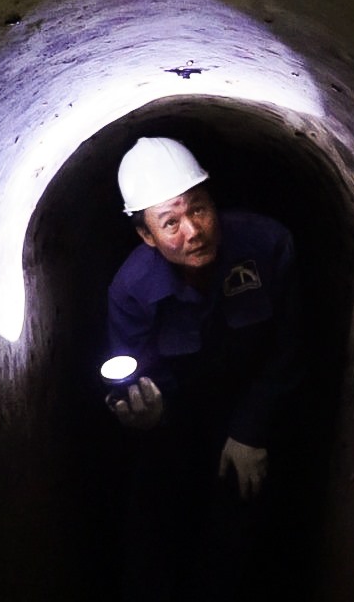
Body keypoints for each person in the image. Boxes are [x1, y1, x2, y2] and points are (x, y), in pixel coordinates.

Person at [103, 137, 303, 601]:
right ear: (146, 235)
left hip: (252, 410)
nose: (192, 230)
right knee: (154, 535)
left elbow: (289, 347)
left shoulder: (268, 245)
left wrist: (251, 429)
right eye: (170, 222)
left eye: (199, 210)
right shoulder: (130, 289)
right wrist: (148, 417)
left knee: (240, 535)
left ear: (214, 203)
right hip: (177, 424)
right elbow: (133, 380)